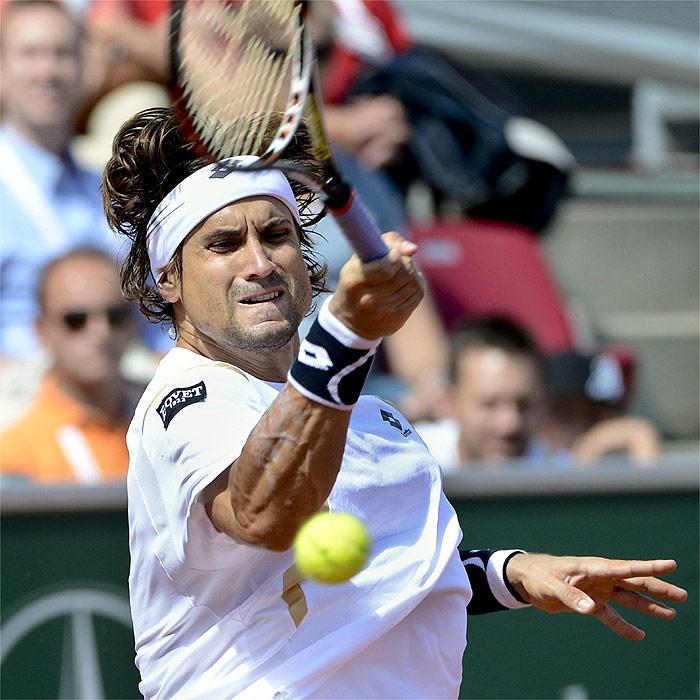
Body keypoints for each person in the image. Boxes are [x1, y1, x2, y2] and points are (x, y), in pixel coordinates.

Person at [103, 108, 686, 699]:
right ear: (167, 279)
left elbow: (394, 572)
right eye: (224, 244)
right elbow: (265, 514)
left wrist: (512, 574)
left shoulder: (375, 416)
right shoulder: (186, 402)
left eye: (276, 236)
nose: (259, 263)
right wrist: (346, 335)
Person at [0, 0, 124, 359]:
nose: (48, 70)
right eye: (30, 54)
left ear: (87, 68)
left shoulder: (104, 190)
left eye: (62, 54)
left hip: (114, 387)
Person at [0, 247, 138, 484]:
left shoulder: (164, 419)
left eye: (115, 316)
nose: (101, 332)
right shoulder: (14, 449)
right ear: (42, 330)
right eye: (75, 320)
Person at [416, 316, 548, 470]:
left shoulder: (561, 479)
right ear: (449, 402)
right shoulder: (406, 462)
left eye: (524, 405)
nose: (509, 424)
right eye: (490, 404)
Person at [537, 349, 663, 466]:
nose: (581, 425)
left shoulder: (612, 453)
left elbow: (640, 434)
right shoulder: (529, 450)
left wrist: (592, 445)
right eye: (566, 411)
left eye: (593, 413)